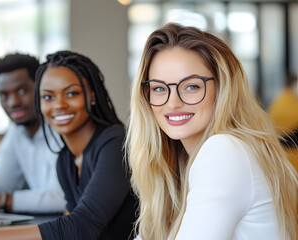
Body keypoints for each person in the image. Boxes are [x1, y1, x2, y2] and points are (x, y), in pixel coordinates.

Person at [126, 23, 298, 240]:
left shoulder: (224, 151)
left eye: (191, 86)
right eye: (159, 88)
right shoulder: (184, 163)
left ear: (222, 88)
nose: (173, 103)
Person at [0, 51, 137, 240]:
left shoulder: (115, 142)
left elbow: (83, 225)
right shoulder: (65, 159)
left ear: (92, 95)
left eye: (71, 93)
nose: (59, 105)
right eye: (48, 97)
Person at [0, 53, 66, 214]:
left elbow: (61, 198)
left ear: (41, 87)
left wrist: (4, 200)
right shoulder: (16, 132)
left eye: (22, 91)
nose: (13, 103)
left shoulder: (62, 128)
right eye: (4, 95)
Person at [268, 73, 298, 170]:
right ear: (294, 84)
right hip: (290, 152)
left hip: (281, 152)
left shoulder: (279, 100)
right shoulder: (288, 102)